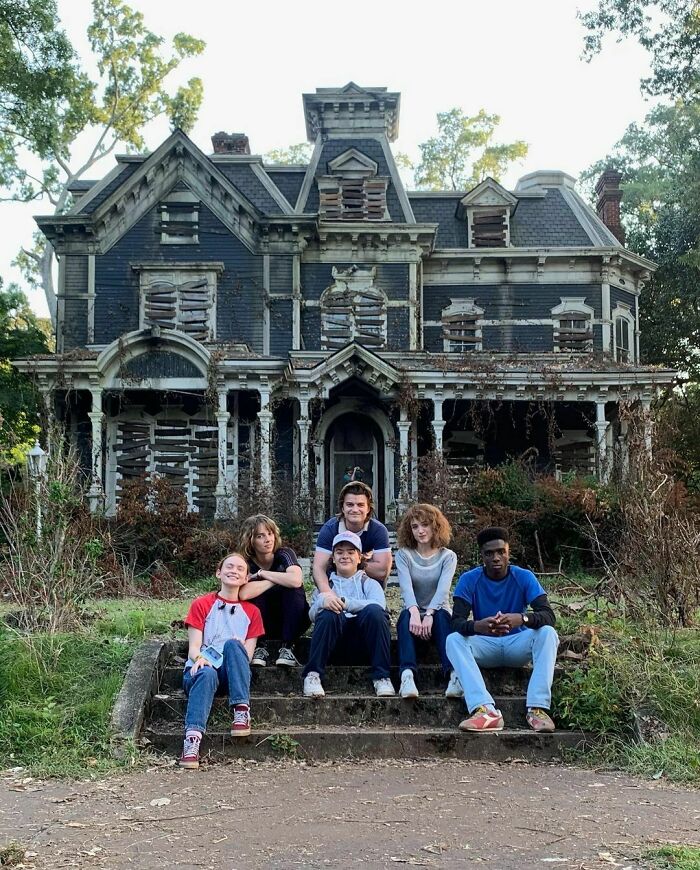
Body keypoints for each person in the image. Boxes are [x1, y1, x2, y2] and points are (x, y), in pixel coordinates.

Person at [446, 526, 559, 733]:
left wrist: (522, 618)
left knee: (548, 633)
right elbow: (456, 622)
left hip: (517, 645)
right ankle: (485, 710)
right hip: (485, 646)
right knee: (453, 639)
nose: (496, 558)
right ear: (482, 556)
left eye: (501, 552)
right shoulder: (469, 579)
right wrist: (478, 626)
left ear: (508, 552)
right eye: (489, 553)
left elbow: (548, 616)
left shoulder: (523, 577)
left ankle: (537, 708)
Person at [178, 552, 264, 769]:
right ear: (219, 572)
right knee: (206, 672)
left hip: (231, 674)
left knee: (234, 645)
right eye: (229, 567)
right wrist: (199, 659)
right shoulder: (202, 604)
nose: (234, 571)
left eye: (240, 569)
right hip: (201, 671)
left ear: (246, 578)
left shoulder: (252, 612)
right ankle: (192, 740)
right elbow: (194, 648)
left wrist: (237, 646)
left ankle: (241, 711)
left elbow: (249, 656)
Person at [302, 531, 394, 699]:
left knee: (374, 612)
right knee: (328, 612)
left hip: (364, 643)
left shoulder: (370, 583)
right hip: (334, 645)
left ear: (359, 558)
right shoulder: (325, 587)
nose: (345, 556)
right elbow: (311, 615)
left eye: (351, 552)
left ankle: (382, 676)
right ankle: (313, 675)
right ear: (333, 559)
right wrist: (323, 602)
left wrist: (345, 602)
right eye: (339, 552)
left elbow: (380, 606)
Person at [395, 503, 462, 699]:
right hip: (414, 614)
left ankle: (453, 676)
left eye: (425, 525)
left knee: (443, 617)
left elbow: (443, 591)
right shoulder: (404, 555)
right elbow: (406, 589)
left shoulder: (448, 556)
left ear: (435, 527)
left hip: (438, 612)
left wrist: (430, 614)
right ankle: (407, 676)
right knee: (405, 617)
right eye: (415, 526)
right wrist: (416, 613)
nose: (420, 531)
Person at [237, 514, 309, 668]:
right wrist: (277, 579)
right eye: (260, 536)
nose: (268, 540)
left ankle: (288, 647)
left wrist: (262, 575)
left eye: (270, 534)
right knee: (257, 593)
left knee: (293, 590)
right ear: (250, 540)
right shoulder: (245, 562)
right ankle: (260, 647)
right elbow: (244, 594)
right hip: (262, 624)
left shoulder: (284, 554)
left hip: (292, 619)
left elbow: (296, 580)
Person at [312, 482, 392, 606]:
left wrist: (349, 563)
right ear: (342, 508)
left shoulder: (378, 530)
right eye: (350, 505)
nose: (355, 509)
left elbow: (382, 572)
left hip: (367, 590)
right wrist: (328, 595)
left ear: (368, 508)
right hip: (335, 588)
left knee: (376, 615)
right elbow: (318, 568)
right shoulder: (329, 529)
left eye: (360, 505)